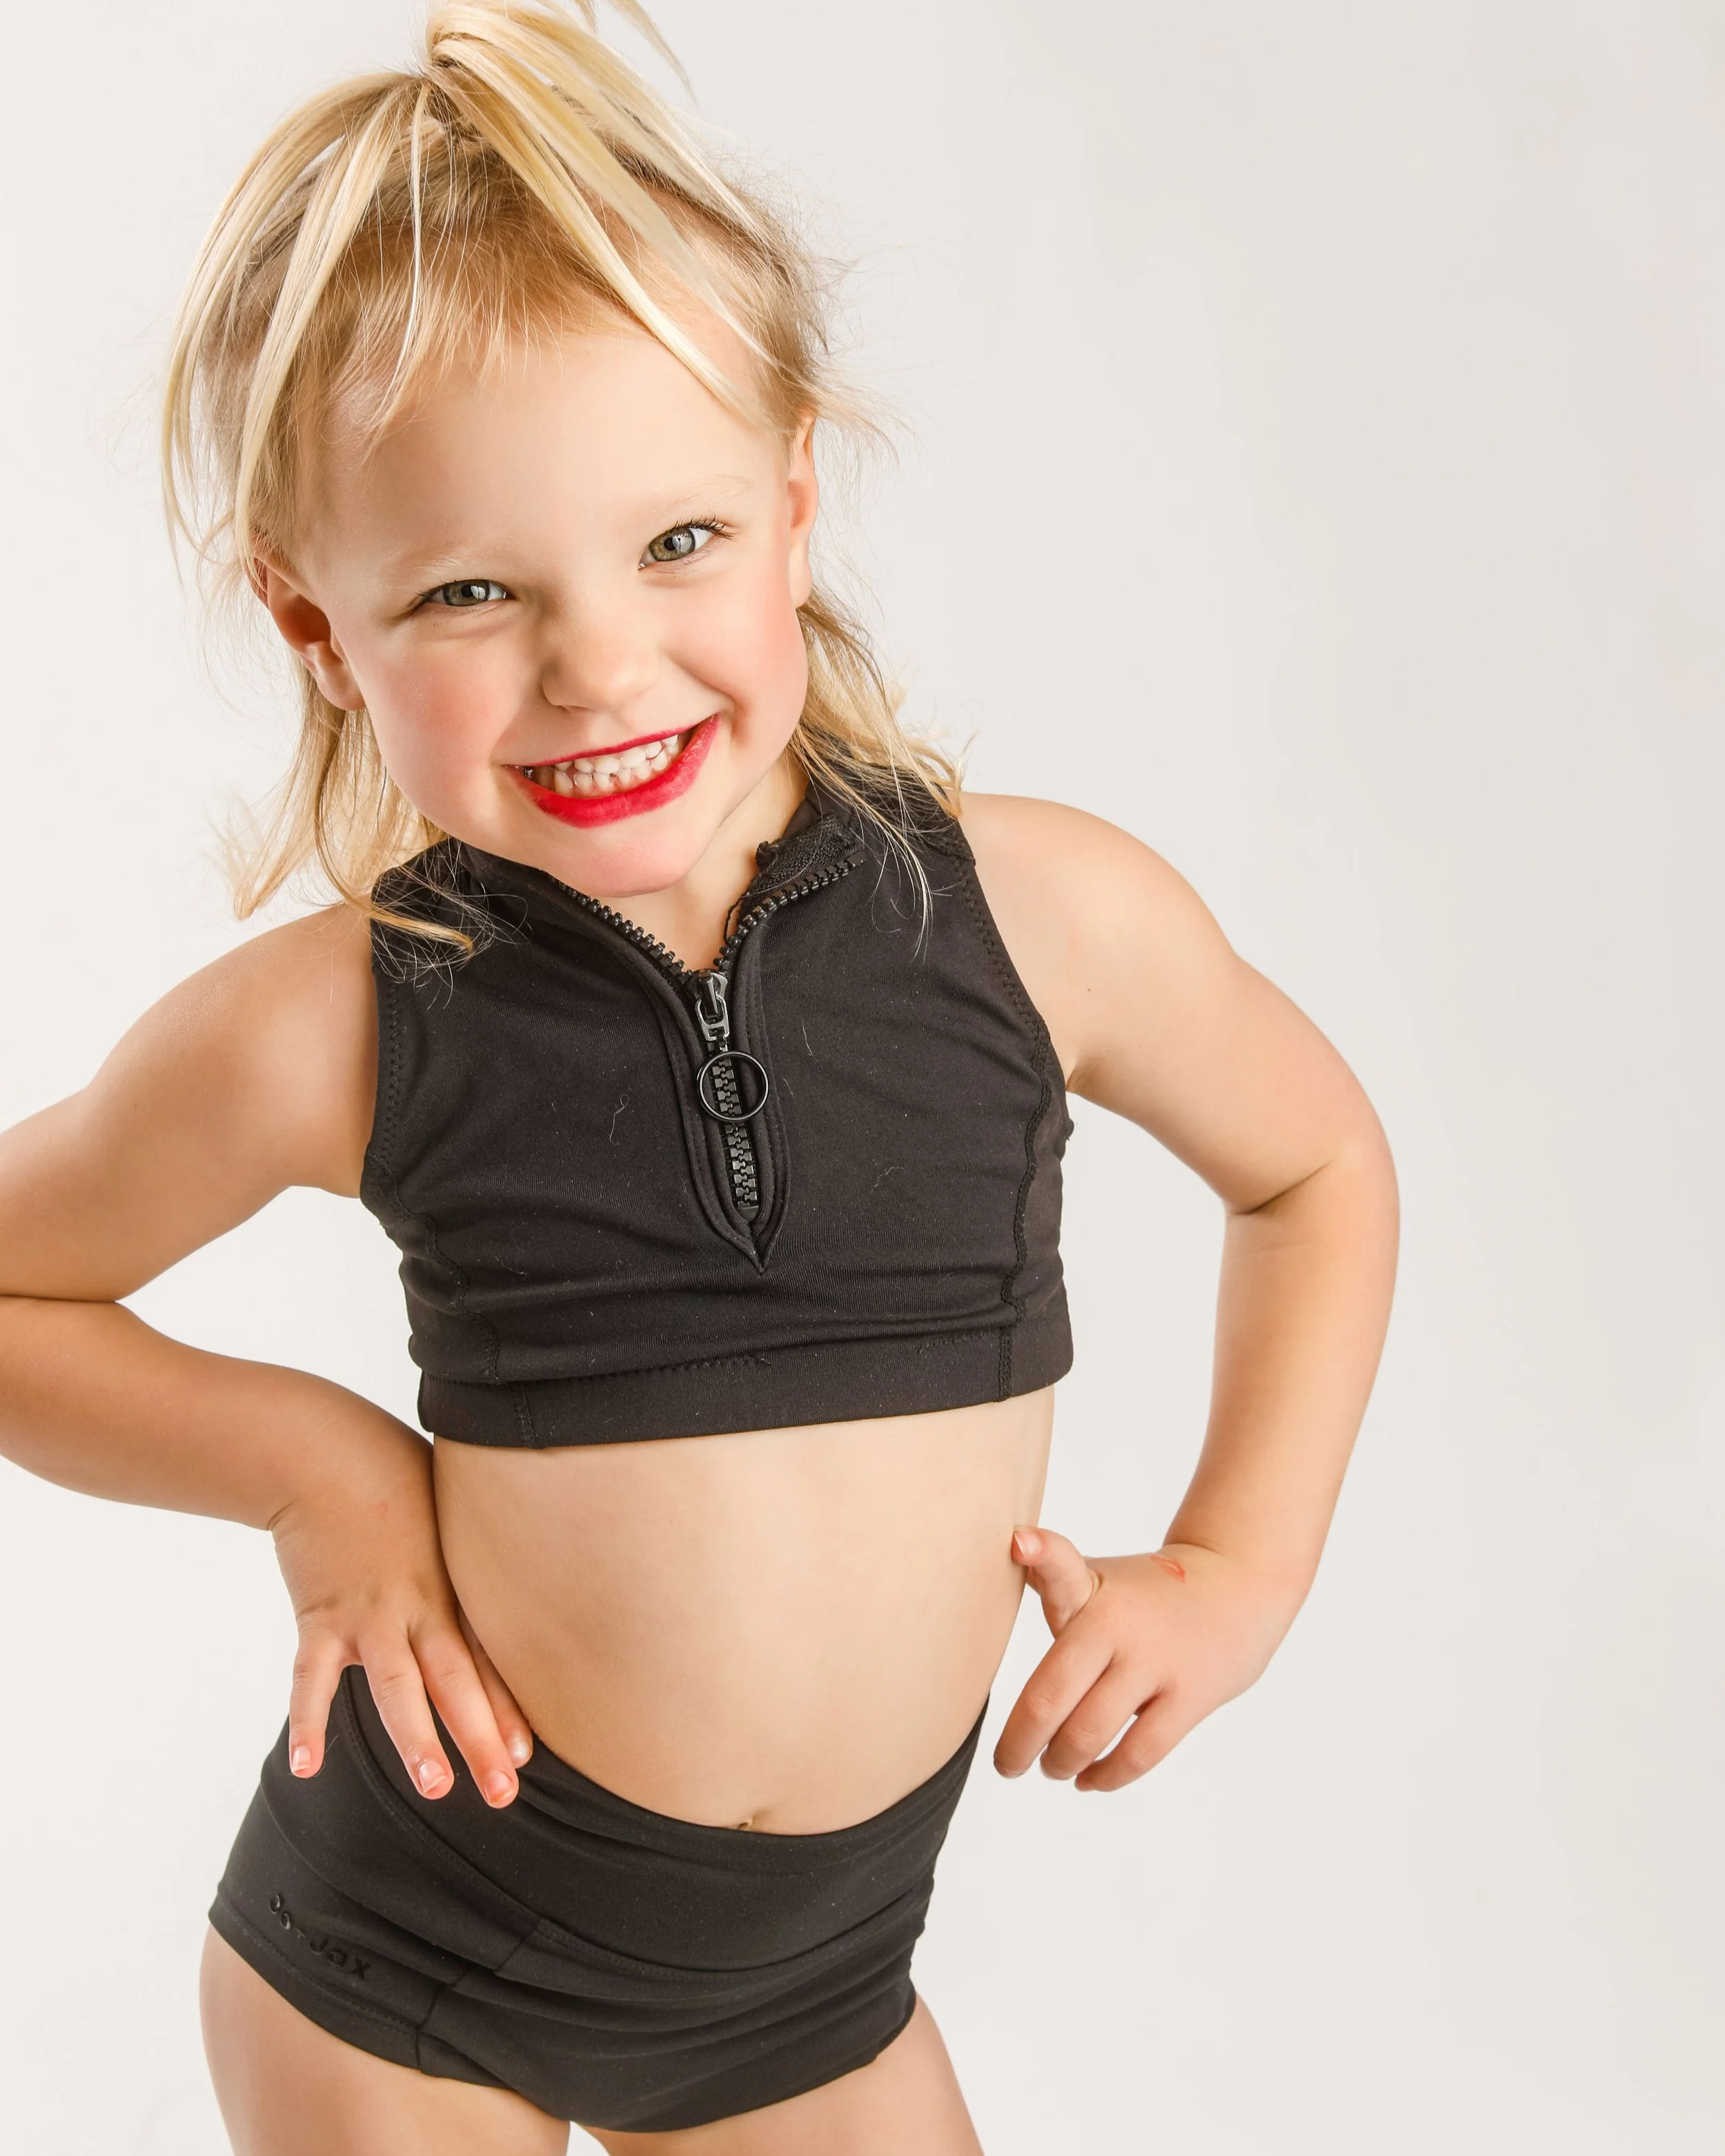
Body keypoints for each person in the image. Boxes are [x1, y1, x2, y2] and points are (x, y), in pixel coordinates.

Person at [0, 2, 1399, 2149]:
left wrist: (1243, 1558)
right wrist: (319, 1474)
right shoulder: (334, 1020)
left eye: (677, 544)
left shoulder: (1042, 920)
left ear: (793, 491)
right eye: (469, 590)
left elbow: (1311, 1163)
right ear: (314, 622)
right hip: (411, 1971)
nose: (597, 664)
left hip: (814, 2004)